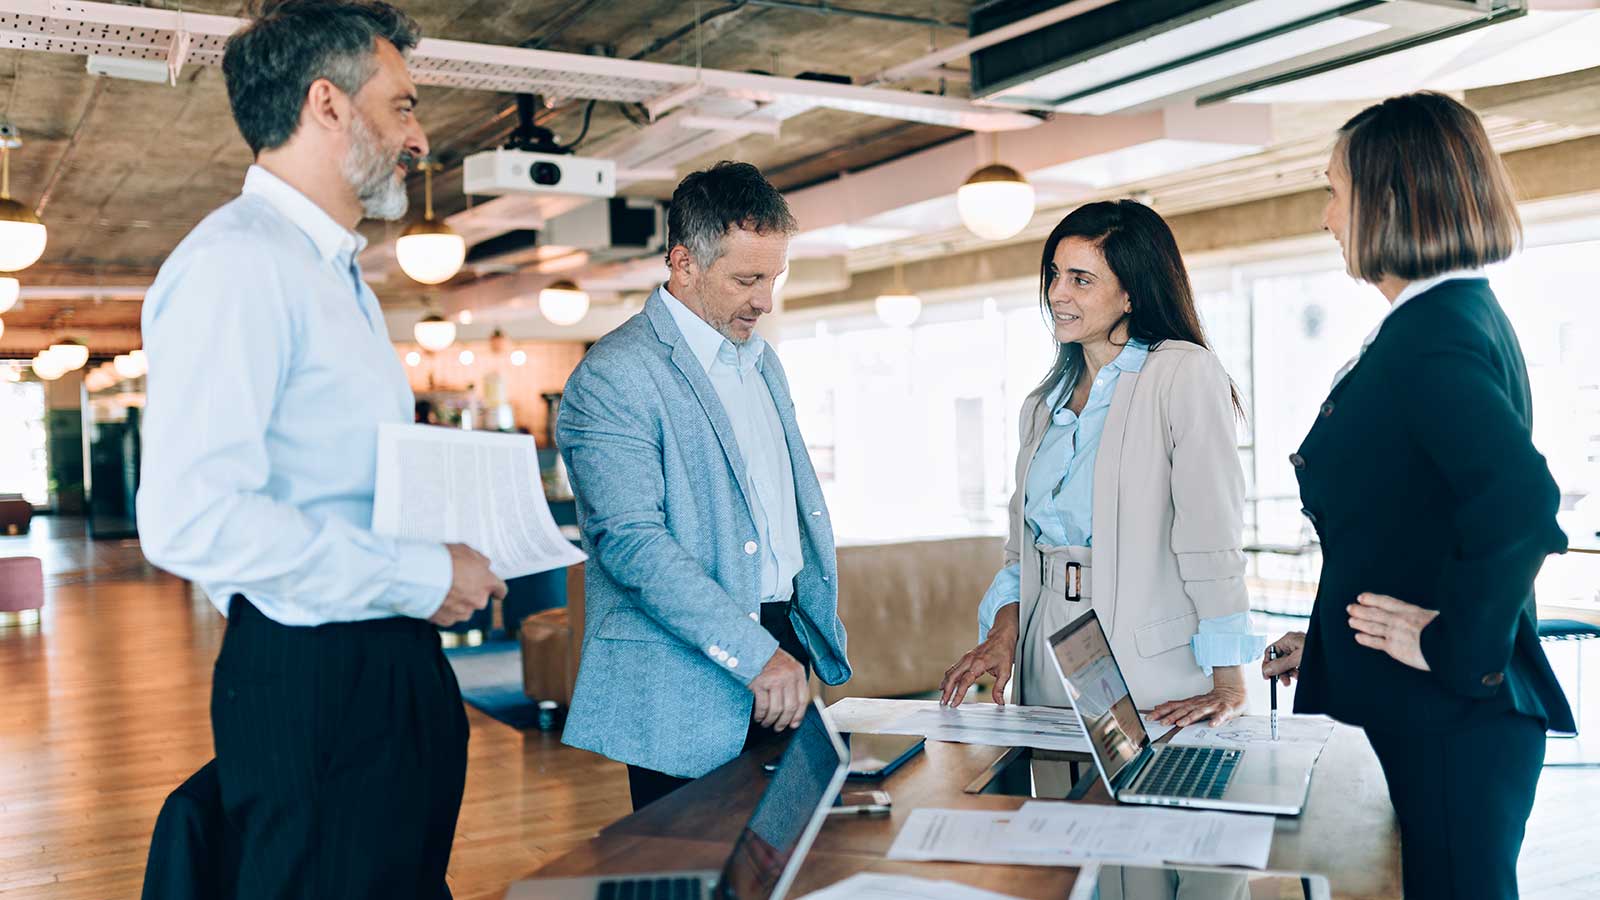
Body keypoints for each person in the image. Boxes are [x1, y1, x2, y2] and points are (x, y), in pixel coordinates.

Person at [136, 2, 507, 896]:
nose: (417, 137)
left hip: (382, 660)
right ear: (328, 104)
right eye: (404, 105)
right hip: (319, 674)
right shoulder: (237, 262)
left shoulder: (333, 272)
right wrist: (418, 577)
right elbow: (190, 519)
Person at [1262, 92, 1575, 900]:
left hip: (1447, 725)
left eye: (1334, 190)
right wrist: (1329, 640)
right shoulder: (1447, 317)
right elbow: (1412, 523)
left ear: (1389, 199)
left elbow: (1520, 505)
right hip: (1428, 718)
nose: (1328, 217)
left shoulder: (1433, 334)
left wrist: (1450, 646)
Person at [556, 161, 850, 811]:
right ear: (683, 263)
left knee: (788, 858)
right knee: (694, 871)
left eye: (773, 278)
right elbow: (633, 546)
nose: (764, 301)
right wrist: (755, 654)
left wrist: (788, 646)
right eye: (746, 279)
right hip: (685, 670)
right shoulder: (615, 375)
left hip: (781, 648)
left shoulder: (761, 362)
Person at [940, 200, 1263, 734]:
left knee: (1138, 810)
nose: (1057, 294)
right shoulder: (1043, 405)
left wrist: (1230, 679)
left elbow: (1211, 540)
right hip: (1048, 647)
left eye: (1081, 280)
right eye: (1054, 275)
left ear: (1131, 292)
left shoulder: (1181, 373)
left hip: (1144, 655)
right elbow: (1022, 554)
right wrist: (1003, 635)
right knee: (1056, 806)